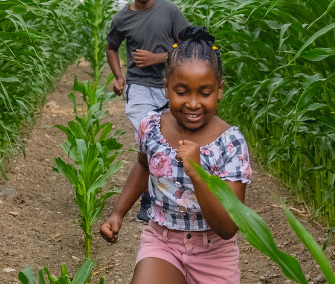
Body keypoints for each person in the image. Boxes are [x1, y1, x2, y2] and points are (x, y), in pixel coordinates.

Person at [99, 26, 251, 284]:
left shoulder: (230, 143)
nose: (193, 103)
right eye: (182, 92)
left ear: (220, 90)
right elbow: (143, 167)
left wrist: (197, 172)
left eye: (205, 93)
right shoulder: (152, 126)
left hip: (214, 252)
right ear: (166, 89)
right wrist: (118, 213)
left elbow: (227, 228)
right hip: (162, 242)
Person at [106, 0, 191, 222]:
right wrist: (119, 77)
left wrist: (158, 58)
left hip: (169, 88)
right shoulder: (122, 18)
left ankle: (173, 198)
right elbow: (111, 47)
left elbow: (188, 46)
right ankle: (147, 199)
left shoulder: (169, 10)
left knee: (174, 143)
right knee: (150, 143)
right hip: (140, 88)